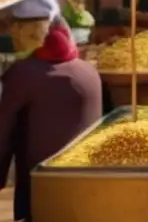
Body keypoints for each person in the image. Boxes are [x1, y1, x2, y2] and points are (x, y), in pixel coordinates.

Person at [0, 20, 103, 220]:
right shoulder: (89, 71)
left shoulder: (23, 73)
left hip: (40, 183)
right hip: (87, 181)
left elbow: (2, 130)